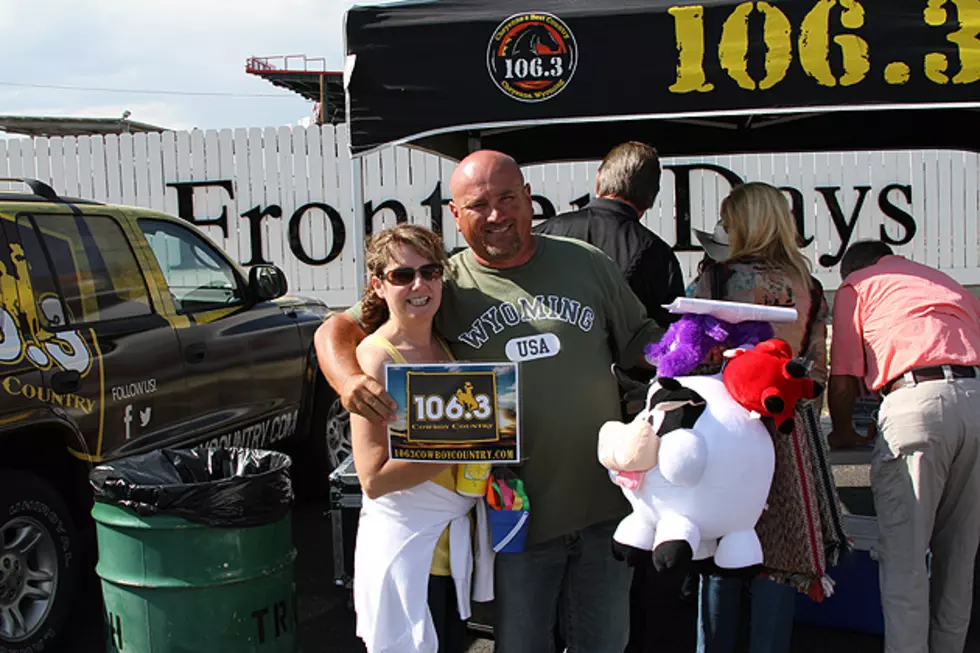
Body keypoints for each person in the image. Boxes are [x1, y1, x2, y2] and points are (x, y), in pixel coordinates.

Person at [316, 150, 664, 653]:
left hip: (604, 507)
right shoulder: (440, 281)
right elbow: (338, 328)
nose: (497, 214)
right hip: (514, 519)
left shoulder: (585, 263)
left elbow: (642, 342)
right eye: (478, 205)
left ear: (528, 198)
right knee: (522, 645)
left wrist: (706, 344)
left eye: (507, 198)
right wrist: (348, 380)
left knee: (605, 643)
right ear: (456, 216)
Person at [534, 141, 689, 652]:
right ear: (649, 199)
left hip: (545, 411)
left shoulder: (548, 235)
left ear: (599, 180)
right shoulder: (655, 252)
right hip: (626, 423)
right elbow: (666, 349)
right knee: (621, 538)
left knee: (547, 540)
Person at [690, 182, 846, 653]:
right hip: (789, 430)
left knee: (722, 550)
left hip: (727, 426)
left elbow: (691, 352)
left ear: (740, 223)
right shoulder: (810, 286)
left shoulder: (716, 277)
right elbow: (817, 373)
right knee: (778, 557)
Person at [827, 240, 980, 653]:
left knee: (905, 563)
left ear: (853, 269)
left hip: (916, 403)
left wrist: (843, 432)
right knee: (959, 560)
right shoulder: (947, 284)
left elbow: (842, 378)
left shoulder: (858, 285)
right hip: (976, 399)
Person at [348, 224, 490, 653]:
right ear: (378, 285)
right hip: (408, 549)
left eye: (429, 272)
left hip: (449, 545)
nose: (419, 284)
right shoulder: (376, 357)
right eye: (401, 275)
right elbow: (372, 478)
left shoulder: (445, 349)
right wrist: (471, 444)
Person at [533, 141, 684, 328]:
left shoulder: (544, 233)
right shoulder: (658, 255)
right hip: (624, 356)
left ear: (598, 181)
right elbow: (672, 336)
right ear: (651, 198)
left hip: (549, 352)